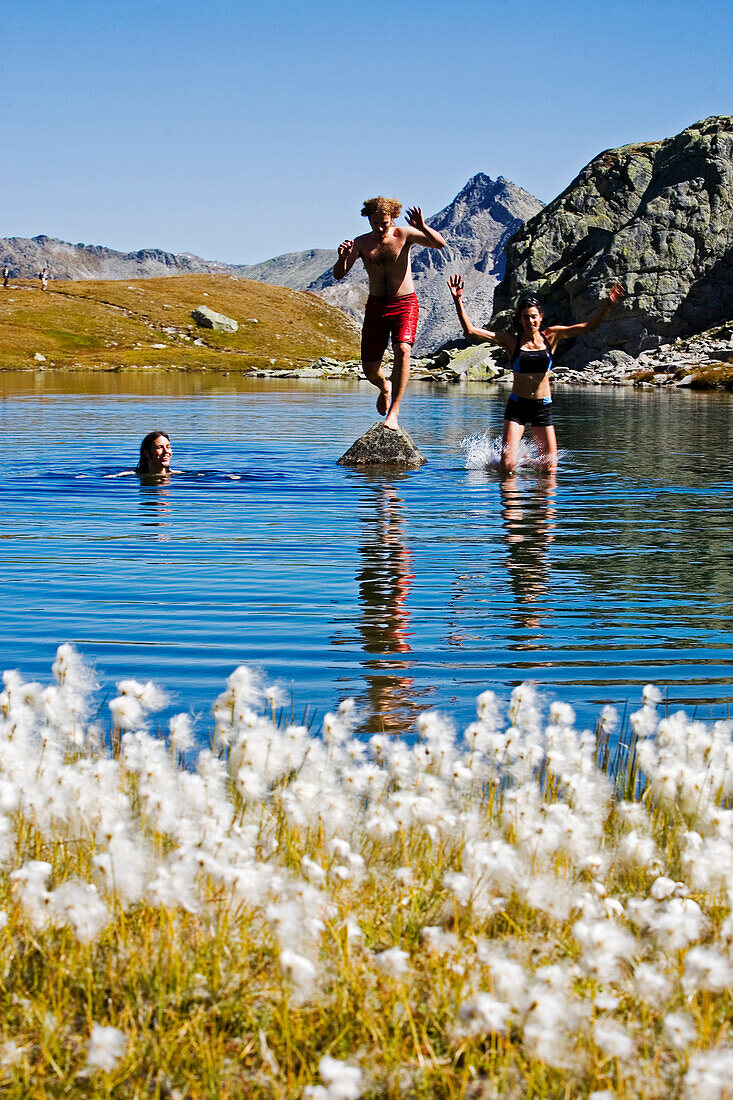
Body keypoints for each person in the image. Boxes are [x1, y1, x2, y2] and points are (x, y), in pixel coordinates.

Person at [448, 277, 625, 471]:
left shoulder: (552, 336)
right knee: (507, 467)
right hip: (518, 407)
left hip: (542, 407)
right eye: (526, 317)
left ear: (540, 317)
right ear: (520, 319)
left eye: (534, 316)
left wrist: (609, 305)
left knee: (550, 469)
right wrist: (458, 300)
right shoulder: (511, 342)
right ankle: (503, 466)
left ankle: (526, 462)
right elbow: (471, 331)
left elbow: (588, 327)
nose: (530, 321)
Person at [334, 197, 446, 430]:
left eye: (384, 223)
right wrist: (343, 258)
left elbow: (440, 244)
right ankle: (385, 386)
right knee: (370, 369)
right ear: (369, 219)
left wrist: (422, 226)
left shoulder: (404, 234)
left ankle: (393, 414)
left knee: (403, 349)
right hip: (376, 306)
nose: (379, 227)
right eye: (374, 222)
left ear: (392, 218)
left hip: (404, 303)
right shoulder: (362, 243)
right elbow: (339, 275)